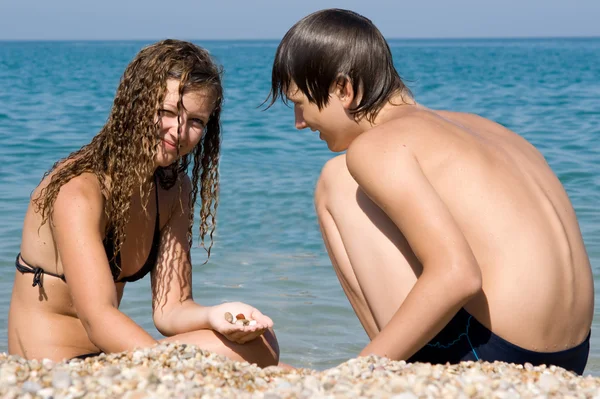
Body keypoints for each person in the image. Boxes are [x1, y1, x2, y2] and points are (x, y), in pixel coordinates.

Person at [266, 9, 593, 375]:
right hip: (571, 361)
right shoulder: (487, 130)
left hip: (497, 358)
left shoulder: (378, 146)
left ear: (344, 89)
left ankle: (389, 374)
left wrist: (356, 374)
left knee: (337, 180)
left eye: (300, 104)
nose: (298, 123)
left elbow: (458, 275)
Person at [9, 39, 279, 367]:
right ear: (134, 104)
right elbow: (98, 319)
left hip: (114, 359)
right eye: (166, 111)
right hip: (54, 370)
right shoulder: (79, 190)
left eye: (196, 121)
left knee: (261, 343)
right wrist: (171, 366)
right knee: (253, 363)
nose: (178, 131)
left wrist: (215, 315)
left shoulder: (173, 189)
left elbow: (172, 308)